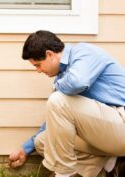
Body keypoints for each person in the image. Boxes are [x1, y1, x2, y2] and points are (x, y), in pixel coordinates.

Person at [8, 30, 125, 177]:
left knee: (57, 100)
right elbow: (55, 121)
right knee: (42, 141)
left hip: (122, 122)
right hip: (107, 133)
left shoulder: (84, 53)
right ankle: (109, 164)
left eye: (38, 65)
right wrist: (25, 149)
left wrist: (57, 89)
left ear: (50, 54)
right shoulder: (63, 79)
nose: (38, 71)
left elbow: (78, 82)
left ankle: (63, 173)